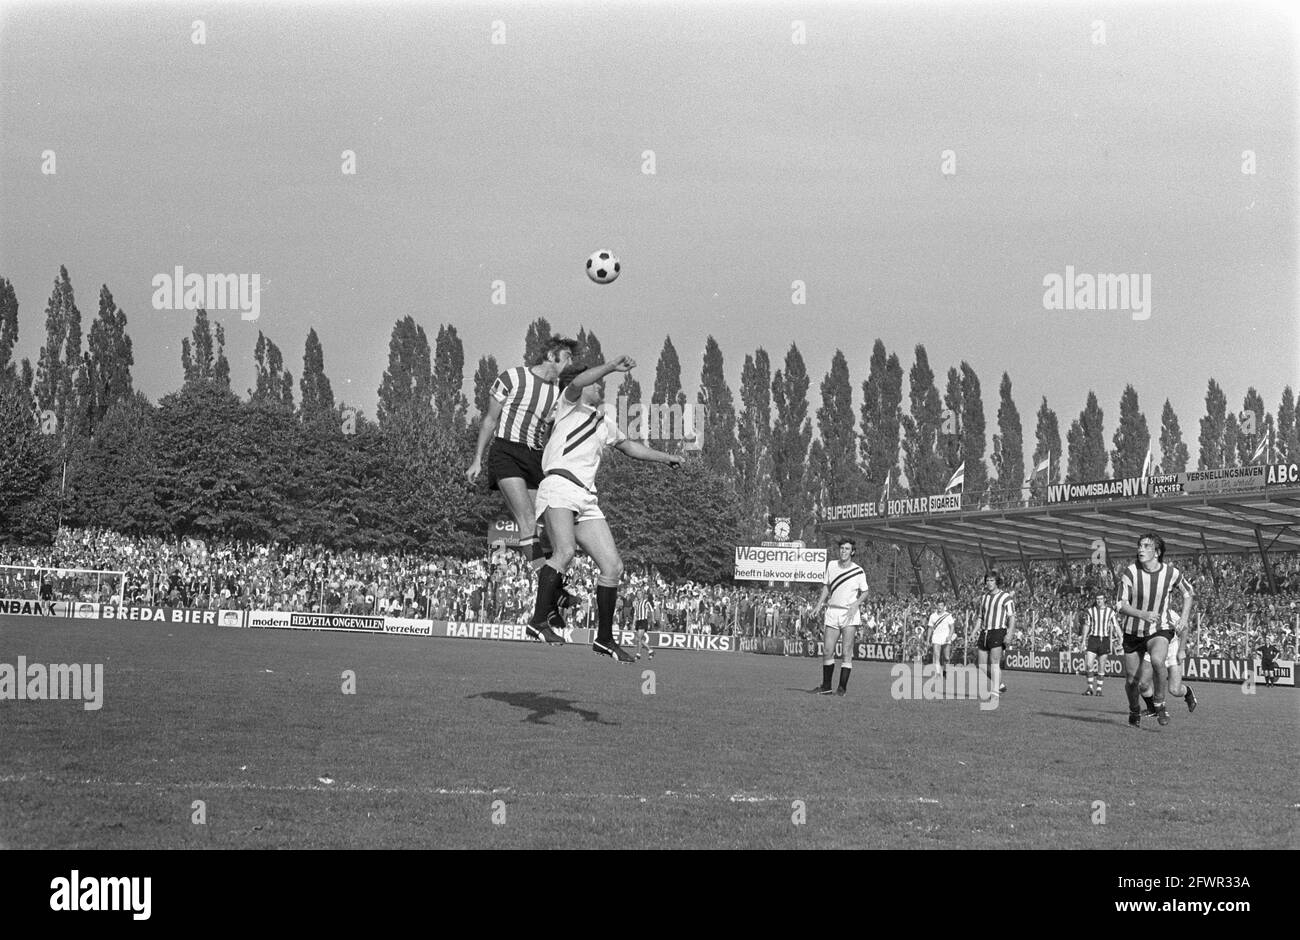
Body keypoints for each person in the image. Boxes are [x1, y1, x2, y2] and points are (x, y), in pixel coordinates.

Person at [528, 357, 683, 659]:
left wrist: (666, 458)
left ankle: (604, 639)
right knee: (565, 552)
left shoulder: (604, 422)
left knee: (613, 567)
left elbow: (629, 447)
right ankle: (537, 620)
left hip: (586, 496)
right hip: (560, 485)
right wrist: (612, 365)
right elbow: (576, 382)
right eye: (596, 381)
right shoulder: (568, 404)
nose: (600, 386)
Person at [466, 336, 577, 572]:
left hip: (536, 457)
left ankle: (553, 580)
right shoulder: (512, 378)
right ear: (550, 356)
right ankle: (545, 579)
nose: (570, 363)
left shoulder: (559, 391)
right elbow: (490, 420)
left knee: (548, 526)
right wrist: (477, 458)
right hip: (507, 451)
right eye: (567, 357)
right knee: (527, 521)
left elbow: (552, 431)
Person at [1117, 533, 1194, 728]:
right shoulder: (1130, 572)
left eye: (1146, 546)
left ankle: (1159, 704)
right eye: (1139, 545)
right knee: (1132, 680)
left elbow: (1188, 593)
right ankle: (1134, 709)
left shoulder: (1170, 573)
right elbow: (1120, 604)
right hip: (1133, 631)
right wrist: (1141, 614)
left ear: (1157, 552)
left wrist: (1184, 619)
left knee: (1159, 660)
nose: (1140, 549)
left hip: (1159, 628)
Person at [809, 540, 869, 696]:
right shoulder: (831, 565)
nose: (843, 551)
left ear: (852, 552)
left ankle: (842, 688)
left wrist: (856, 604)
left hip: (849, 613)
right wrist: (818, 605)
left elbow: (865, 592)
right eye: (842, 548)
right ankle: (826, 686)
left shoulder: (858, 571)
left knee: (846, 652)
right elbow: (826, 586)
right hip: (832, 611)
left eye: (847, 549)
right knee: (828, 650)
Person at [1139, 608, 1197, 715]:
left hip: (1172, 649)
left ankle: (1187, 692)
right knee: (1142, 684)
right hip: (1151, 649)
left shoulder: (1169, 613)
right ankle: (1152, 709)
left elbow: (1184, 628)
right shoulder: (1142, 612)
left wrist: (1182, 650)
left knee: (1175, 690)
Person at [975, 571, 1015, 699]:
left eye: (992, 580)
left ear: (997, 582)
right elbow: (980, 616)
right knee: (980, 665)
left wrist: (1009, 634)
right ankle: (999, 684)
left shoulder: (1005, 597)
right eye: (987, 580)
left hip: (998, 631)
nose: (989, 583)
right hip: (985, 632)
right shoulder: (984, 597)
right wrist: (974, 631)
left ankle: (994, 692)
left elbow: (1012, 617)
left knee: (994, 662)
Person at [1079, 590, 1119, 696]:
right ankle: (1090, 687)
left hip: (1104, 639)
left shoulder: (1110, 612)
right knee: (1089, 663)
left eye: (1101, 599)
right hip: (1093, 639)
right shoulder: (1091, 611)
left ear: (1104, 599)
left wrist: (1121, 637)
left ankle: (1099, 689)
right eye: (1097, 599)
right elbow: (1086, 625)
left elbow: (1116, 625)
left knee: (1102, 665)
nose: (1099, 601)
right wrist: (1083, 640)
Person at [925, 598, 955, 680]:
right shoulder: (932, 616)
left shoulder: (948, 615)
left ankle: (945, 672)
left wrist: (950, 635)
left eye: (941, 605)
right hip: (936, 637)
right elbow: (930, 628)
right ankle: (938, 673)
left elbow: (952, 627)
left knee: (946, 657)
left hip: (946, 637)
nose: (940, 607)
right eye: (938, 605)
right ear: (936, 606)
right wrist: (928, 639)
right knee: (936, 655)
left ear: (944, 606)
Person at [633, 591, 655, 661]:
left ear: (642, 595)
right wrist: (633, 623)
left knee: (639, 638)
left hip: (643, 621)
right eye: (637, 594)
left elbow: (652, 610)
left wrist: (653, 619)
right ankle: (650, 651)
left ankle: (638, 654)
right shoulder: (636, 603)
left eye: (640, 594)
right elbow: (635, 614)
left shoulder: (646, 602)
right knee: (638, 639)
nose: (639, 595)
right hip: (638, 621)